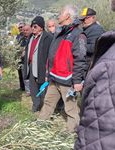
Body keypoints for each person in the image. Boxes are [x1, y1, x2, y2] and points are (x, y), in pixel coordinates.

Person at [38, 5, 87, 133]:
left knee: (70, 109)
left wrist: (77, 81)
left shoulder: (78, 35)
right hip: (54, 77)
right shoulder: (60, 32)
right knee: (48, 102)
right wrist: (49, 73)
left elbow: (80, 59)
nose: (58, 15)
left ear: (67, 16)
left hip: (67, 80)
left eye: (61, 13)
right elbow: (53, 54)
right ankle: (38, 126)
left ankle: (73, 133)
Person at [75, 0, 115, 149]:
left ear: (92, 18)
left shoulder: (97, 31)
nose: (82, 22)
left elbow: (92, 49)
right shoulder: (87, 31)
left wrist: (83, 45)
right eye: (81, 20)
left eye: (84, 19)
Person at [23, 16, 53, 112]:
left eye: (35, 26)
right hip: (31, 66)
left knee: (43, 87)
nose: (33, 28)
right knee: (33, 87)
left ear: (41, 27)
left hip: (43, 67)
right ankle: (36, 105)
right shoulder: (31, 37)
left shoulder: (48, 38)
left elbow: (50, 54)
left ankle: (45, 106)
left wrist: (48, 70)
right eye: (32, 26)